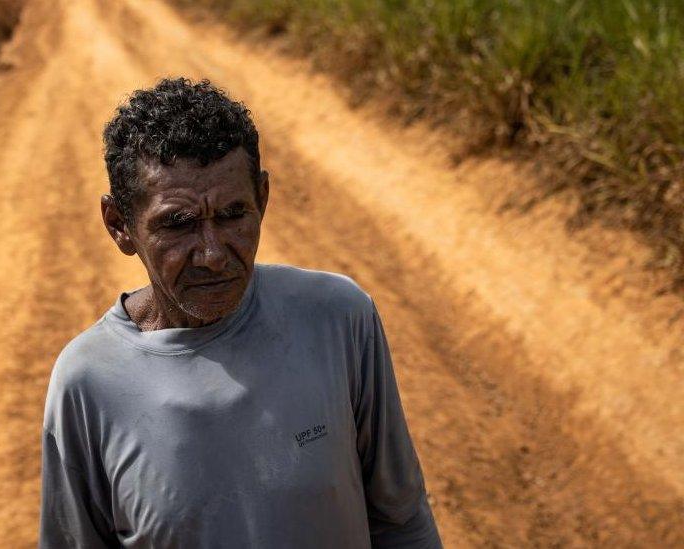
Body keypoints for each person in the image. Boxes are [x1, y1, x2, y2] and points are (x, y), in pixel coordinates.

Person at [39, 77, 443, 548]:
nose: (213, 253)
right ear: (119, 226)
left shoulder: (337, 318)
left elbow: (402, 519)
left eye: (233, 215)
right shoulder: (87, 382)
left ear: (263, 199)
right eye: (178, 223)